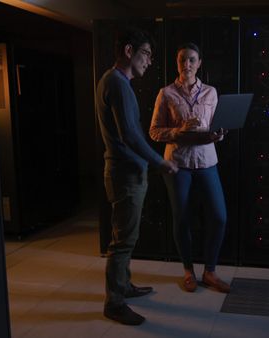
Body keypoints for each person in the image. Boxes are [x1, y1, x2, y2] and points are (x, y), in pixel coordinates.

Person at [96, 27, 178, 326]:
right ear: (129, 51)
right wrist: (160, 162)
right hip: (125, 175)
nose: (149, 61)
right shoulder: (117, 84)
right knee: (122, 242)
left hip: (125, 172)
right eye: (145, 54)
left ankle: (124, 286)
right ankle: (114, 303)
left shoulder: (112, 81)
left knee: (126, 237)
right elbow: (130, 135)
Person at [149, 42, 231, 294]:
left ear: (199, 63)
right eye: (182, 59)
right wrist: (178, 131)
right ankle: (188, 271)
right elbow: (154, 131)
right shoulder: (166, 93)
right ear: (177, 63)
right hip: (178, 164)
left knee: (219, 217)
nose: (187, 64)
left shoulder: (211, 93)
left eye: (192, 60)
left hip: (207, 161)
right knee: (182, 219)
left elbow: (217, 125)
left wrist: (219, 134)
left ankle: (210, 271)